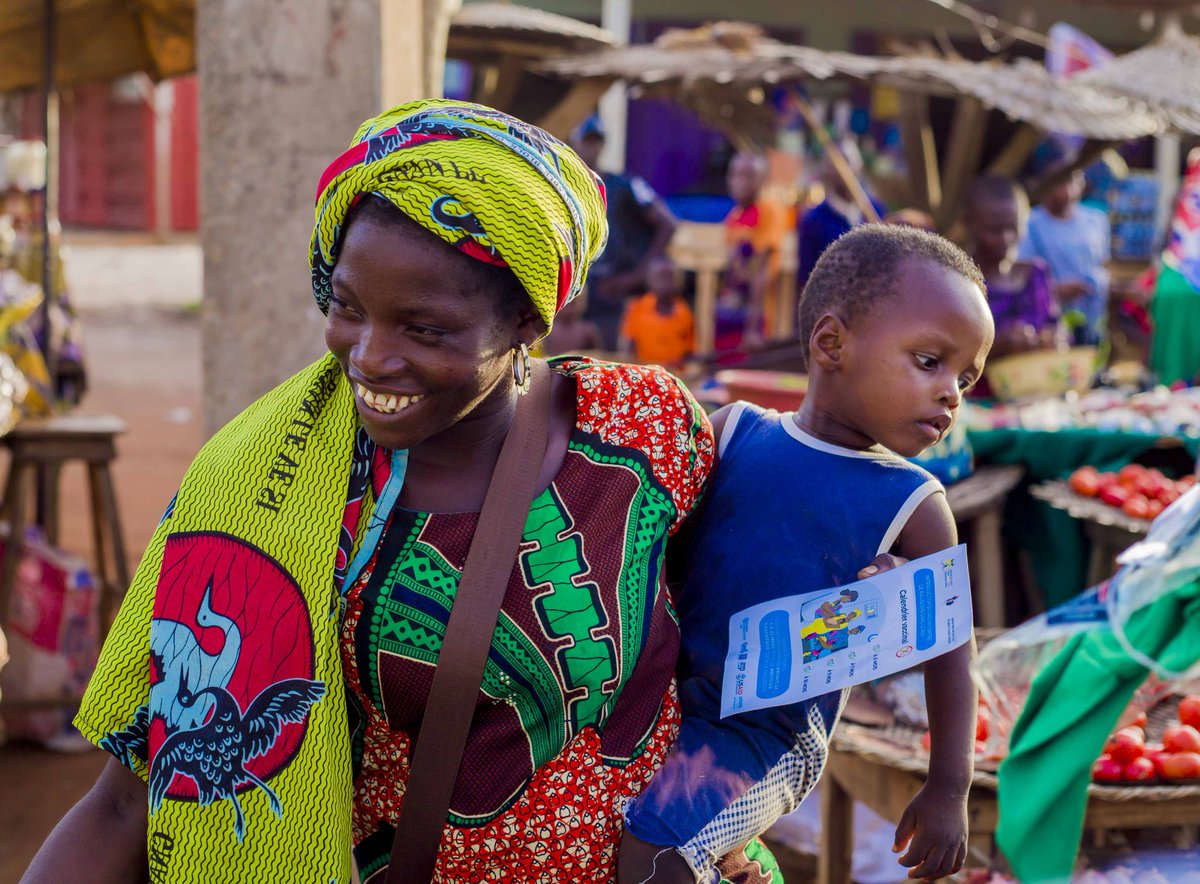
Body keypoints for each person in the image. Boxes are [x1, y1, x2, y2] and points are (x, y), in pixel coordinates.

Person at [22, 100, 754, 882]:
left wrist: (717, 821)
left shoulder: (641, 430)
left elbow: (739, 656)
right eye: (347, 308)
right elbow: (131, 797)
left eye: (424, 329)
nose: (369, 357)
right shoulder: (267, 492)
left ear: (524, 319)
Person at [621, 224, 992, 882]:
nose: (952, 393)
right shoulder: (733, 430)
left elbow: (951, 658)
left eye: (966, 376)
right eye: (931, 362)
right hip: (665, 701)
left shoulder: (914, 503)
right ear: (831, 344)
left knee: (657, 854)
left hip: (768, 735)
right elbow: (653, 552)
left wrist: (948, 788)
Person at [572, 115, 678, 350]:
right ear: (574, 143)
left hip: (614, 294)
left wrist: (637, 275)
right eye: (586, 141)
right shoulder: (566, 186)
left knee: (612, 360)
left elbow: (667, 222)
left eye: (595, 141)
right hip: (577, 296)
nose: (591, 147)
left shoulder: (624, 184)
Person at [962, 175, 1059, 360]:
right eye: (994, 229)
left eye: (1013, 227)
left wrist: (1054, 339)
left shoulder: (1036, 274)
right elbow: (950, 354)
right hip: (979, 388)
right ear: (969, 224)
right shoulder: (962, 282)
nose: (1006, 238)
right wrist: (996, 345)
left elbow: (1055, 327)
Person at [1018, 166, 1110, 346]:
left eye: (1072, 180)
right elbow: (1022, 273)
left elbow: (1103, 265)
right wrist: (1054, 291)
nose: (1066, 189)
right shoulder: (1029, 223)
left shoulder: (1096, 221)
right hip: (1048, 327)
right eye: (1060, 182)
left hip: (1094, 318)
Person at [717, 152, 789, 355]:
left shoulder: (768, 210)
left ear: (763, 179)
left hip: (757, 317)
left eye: (749, 175)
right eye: (735, 174)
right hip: (734, 310)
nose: (741, 182)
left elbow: (763, 267)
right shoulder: (734, 216)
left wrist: (752, 328)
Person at [796, 141, 887, 291]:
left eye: (848, 161)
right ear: (825, 170)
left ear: (859, 167)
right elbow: (805, 282)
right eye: (835, 164)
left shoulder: (876, 210)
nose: (842, 170)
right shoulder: (813, 221)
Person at [619, 254, 695, 369]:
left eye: (669, 277)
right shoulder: (637, 307)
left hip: (675, 375)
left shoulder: (685, 313)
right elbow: (628, 345)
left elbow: (690, 351)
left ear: (679, 281)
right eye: (660, 277)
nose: (665, 283)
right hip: (644, 372)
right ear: (650, 280)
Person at [540, 289, 604, 356]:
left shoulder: (588, 331)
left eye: (573, 302)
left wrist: (577, 355)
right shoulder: (547, 330)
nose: (569, 307)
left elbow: (599, 356)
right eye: (566, 302)